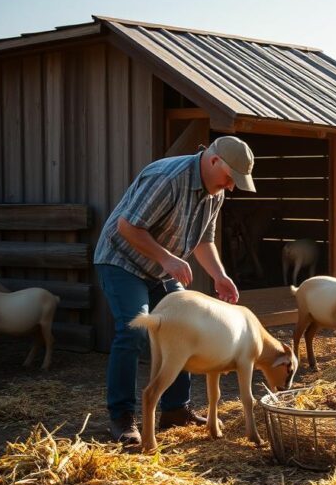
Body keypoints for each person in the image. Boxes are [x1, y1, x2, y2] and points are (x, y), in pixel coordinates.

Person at [94, 136, 256, 444]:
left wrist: (220, 276)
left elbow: (204, 241)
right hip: (121, 260)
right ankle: (122, 417)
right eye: (229, 178)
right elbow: (127, 227)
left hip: (159, 267)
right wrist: (168, 259)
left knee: (182, 323)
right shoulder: (167, 178)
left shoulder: (214, 193)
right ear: (213, 161)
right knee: (134, 329)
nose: (231, 186)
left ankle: (175, 410)